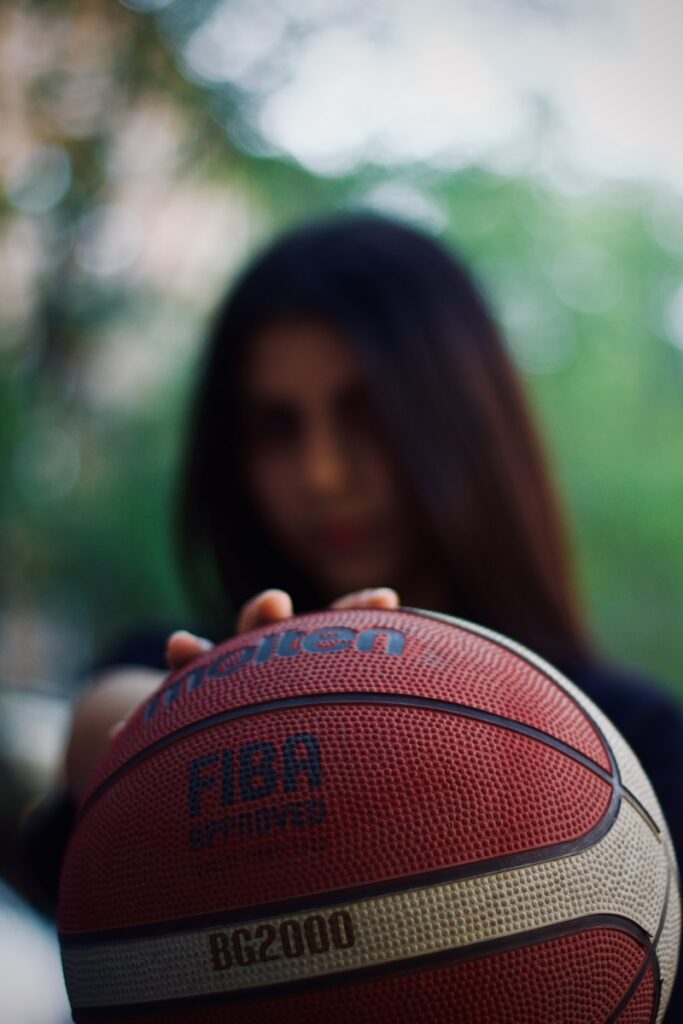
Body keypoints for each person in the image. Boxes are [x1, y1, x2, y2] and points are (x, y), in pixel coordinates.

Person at [19, 212, 683, 1016]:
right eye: (275, 429)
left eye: (364, 414)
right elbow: (102, 724)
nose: (323, 474)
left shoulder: (635, 744)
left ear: (462, 421)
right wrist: (192, 731)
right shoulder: (175, 662)